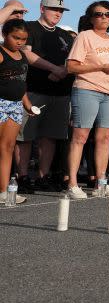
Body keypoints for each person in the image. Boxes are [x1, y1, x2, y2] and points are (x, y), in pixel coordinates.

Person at [64, 1, 109, 198]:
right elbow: (71, 67)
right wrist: (99, 68)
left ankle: (101, 182)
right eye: (99, 14)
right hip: (87, 89)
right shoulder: (84, 36)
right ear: (91, 18)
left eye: (108, 14)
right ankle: (72, 183)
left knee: (104, 139)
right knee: (80, 137)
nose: (104, 17)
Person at [15, 0, 72, 193]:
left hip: (60, 91)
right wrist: (53, 69)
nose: (58, 13)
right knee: (26, 136)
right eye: (53, 9)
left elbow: (72, 59)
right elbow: (26, 53)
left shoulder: (65, 35)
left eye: (61, 11)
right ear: (41, 8)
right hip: (33, 89)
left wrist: (62, 71)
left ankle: (42, 176)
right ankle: (22, 176)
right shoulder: (29, 27)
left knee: (50, 136)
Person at [0, 19, 49, 205]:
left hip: (15, 105)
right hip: (0, 103)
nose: (19, 42)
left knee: (8, 147)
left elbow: (22, 84)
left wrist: (28, 105)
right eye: (15, 38)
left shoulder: (23, 56)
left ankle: (4, 191)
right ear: (5, 34)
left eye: (23, 39)